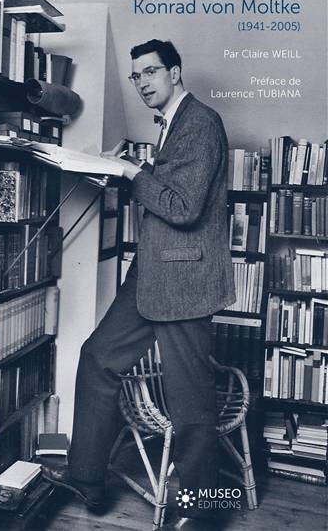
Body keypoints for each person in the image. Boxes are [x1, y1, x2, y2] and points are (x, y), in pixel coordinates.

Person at [42, 39, 235, 530]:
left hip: (185, 280)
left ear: (175, 71)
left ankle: (201, 511)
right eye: (136, 76)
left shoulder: (200, 122)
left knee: (190, 401)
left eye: (151, 71)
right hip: (151, 275)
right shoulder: (172, 124)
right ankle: (87, 478)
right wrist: (126, 169)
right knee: (98, 357)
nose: (143, 83)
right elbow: (170, 189)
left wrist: (131, 171)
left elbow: (183, 209)